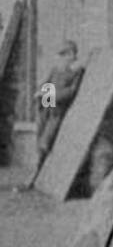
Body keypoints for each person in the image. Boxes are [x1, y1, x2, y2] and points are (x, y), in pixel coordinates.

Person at [26, 39, 83, 188]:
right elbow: (46, 83)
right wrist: (40, 92)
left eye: (66, 54)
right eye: (62, 55)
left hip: (59, 109)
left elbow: (71, 92)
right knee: (40, 136)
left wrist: (51, 95)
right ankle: (36, 174)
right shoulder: (56, 70)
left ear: (73, 55)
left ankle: (38, 174)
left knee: (47, 140)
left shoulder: (77, 71)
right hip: (47, 106)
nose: (64, 58)